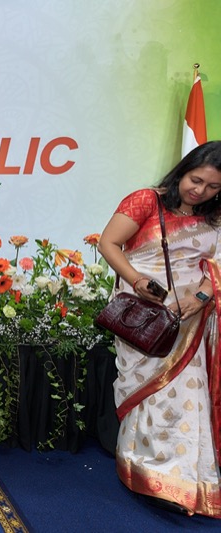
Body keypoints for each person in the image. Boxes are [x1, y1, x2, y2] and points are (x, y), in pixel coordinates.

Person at [97, 140, 221, 518]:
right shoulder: (146, 201)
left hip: (191, 319)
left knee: (186, 396)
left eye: (213, 187)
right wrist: (137, 280)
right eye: (196, 180)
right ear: (183, 170)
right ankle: (143, 468)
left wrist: (200, 297)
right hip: (144, 315)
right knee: (148, 394)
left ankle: (180, 477)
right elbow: (108, 243)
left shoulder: (216, 216)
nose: (200, 191)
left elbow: (217, 265)